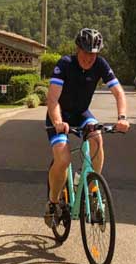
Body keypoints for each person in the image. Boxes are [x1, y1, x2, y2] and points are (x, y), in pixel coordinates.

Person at [44, 28, 129, 227]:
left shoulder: (100, 64)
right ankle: (53, 202)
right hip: (59, 116)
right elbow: (53, 99)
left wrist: (122, 117)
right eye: (86, 52)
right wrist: (57, 121)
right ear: (78, 49)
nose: (89, 58)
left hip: (81, 113)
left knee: (97, 138)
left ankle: (91, 189)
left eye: (93, 53)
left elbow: (118, 93)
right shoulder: (65, 64)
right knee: (63, 159)